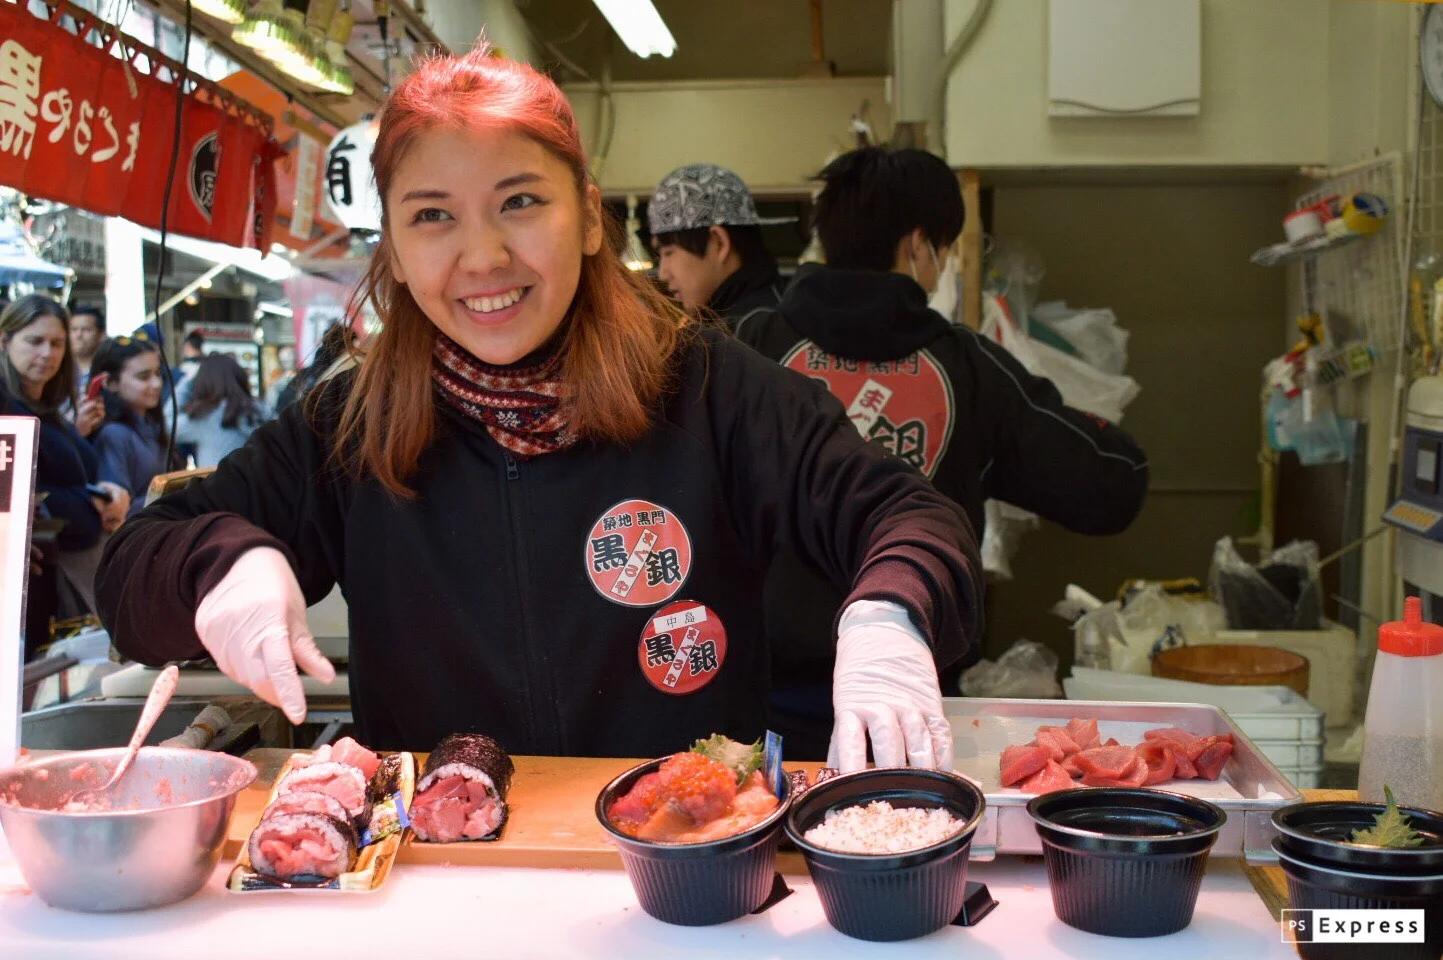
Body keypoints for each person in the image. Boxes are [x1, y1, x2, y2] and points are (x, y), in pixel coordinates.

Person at [95, 45, 982, 772]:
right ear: (396, 252)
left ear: (588, 219)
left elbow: (906, 513)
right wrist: (222, 561)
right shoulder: (351, 428)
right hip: (439, 879)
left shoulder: (707, 386)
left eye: (520, 202)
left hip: (690, 872)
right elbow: (132, 572)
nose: (482, 255)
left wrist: (886, 616)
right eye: (433, 215)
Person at [737, 147, 1150, 759]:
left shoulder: (746, 345)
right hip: (914, 716)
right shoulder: (969, 367)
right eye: (947, 250)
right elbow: (1111, 484)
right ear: (918, 246)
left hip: (756, 712)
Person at [0, 296, 129, 619]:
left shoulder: (48, 410)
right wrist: (91, 501)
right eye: (35, 341)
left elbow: (63, 474)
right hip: (28, 590)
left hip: (63, 583)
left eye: (57, 343)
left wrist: (106, 492)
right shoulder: (7, 410)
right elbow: (18, 496)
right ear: (5, 340)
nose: (47, 353)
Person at [648, 163, 782, 332]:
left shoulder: (753, 334)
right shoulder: (745, 321)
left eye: (668, 252)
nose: (662, 274)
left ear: (719, 243)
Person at [90, 336, 180, 517]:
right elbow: (118, 510)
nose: (156, 383)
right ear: (109, 382)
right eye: (143, 377)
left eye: (158, 374)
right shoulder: (114, 434)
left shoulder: (152, 426)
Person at [177, 353, 272, 467]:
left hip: (217, 483)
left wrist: (186, 381)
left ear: (203, 382)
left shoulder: (204, 416)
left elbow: (168, 425)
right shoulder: (262, 409)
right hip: (262, 482)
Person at [67, 304, 103, 395]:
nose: (79, 335)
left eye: (86, 330)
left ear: (101, 335)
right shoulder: (57, 369)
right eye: (74, 329)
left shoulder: (108, 372)